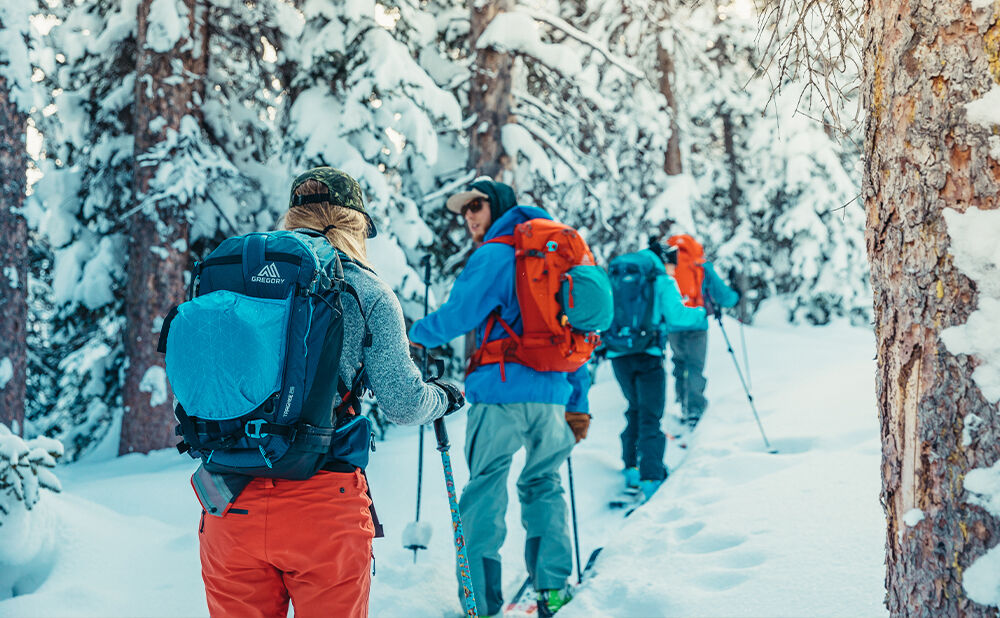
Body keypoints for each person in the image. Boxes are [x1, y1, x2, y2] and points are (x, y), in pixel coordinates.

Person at [194, 167, 465, 618]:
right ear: (355, 225)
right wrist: (446, 396)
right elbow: (403, 402)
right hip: (321, 502)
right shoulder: (367, 290)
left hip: (228, 501)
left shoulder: (237, 279)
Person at [412, 178, 590, 618]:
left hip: (499, 395)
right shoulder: (556, 259)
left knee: (486, 488)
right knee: (544, 484)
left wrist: (410, 333)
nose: (470, 215)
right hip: (552, 395)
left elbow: (458, 316)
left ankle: (481, 604)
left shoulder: (494, 254)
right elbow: (574, 335)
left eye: (478, 205)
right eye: (465, 209)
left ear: (500, 206)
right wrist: (577, 402)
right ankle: (552, 590)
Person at [603, 240, 705, 501]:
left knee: (634, 408)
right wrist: (703, 314)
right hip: (648, 355)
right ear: (665, 261)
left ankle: (631, 468)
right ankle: (651, 477)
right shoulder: (659, 279)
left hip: (618, 355)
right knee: (651, 415)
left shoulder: (618, 274)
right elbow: (677, 316)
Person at [664, 234, 739, 430]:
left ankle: (683, 404)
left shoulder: (667, 267)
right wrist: (736, 294)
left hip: (673, 326)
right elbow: (725, 297)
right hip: (697, 324)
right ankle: (694, 410)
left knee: (679, 364)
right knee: (695, 367)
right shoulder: (701, 266)